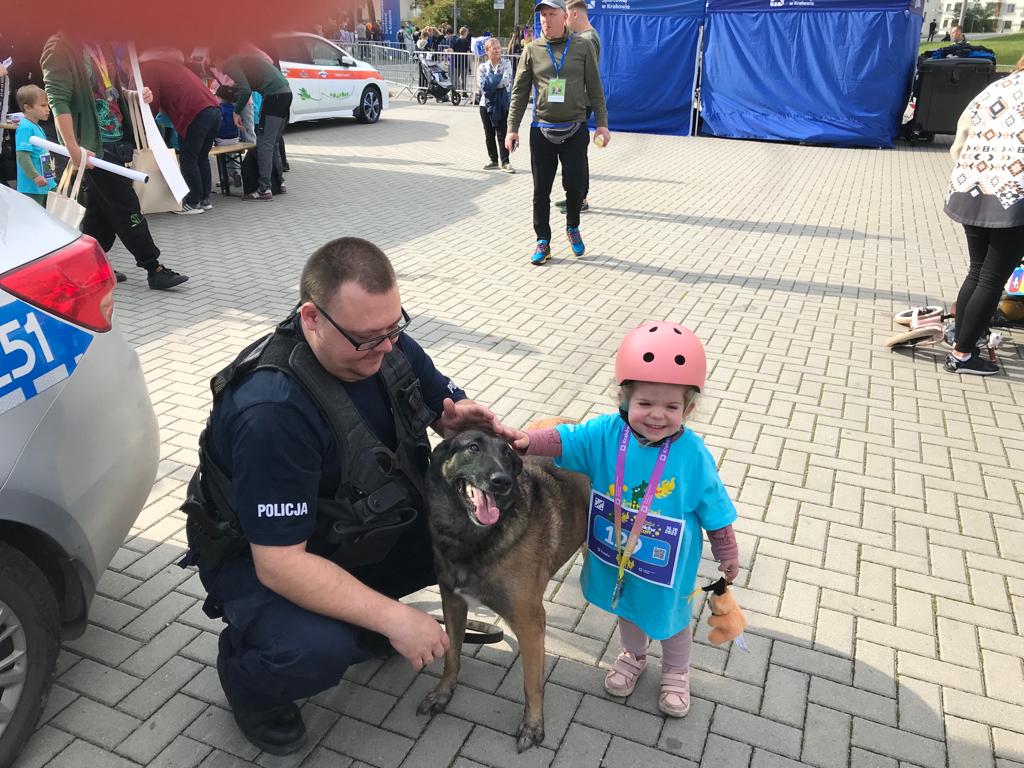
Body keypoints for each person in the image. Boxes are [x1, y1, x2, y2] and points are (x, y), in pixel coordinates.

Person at [179, 237, 523, 756]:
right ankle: (249, 680)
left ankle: (361, 611)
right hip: (260, 557)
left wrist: (451, 415)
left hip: (348, 528)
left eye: (393, 328)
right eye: (367, 339)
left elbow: (436, 402)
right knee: (315, 650)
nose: (384, 348)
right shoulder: (273, 410)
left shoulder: (385, 344)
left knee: (481, 527)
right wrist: (396, 619)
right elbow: (279, 565)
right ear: (312, 317)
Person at [513, 322, 740, 718]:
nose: (657, 415)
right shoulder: (606, 434)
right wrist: (524, 440)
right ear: (623, 398)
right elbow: (566, 439)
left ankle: (676, 672)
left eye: (671, 407)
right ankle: (633, 655)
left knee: (671, 620)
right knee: (627, 608)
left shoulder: (692, 453)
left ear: (688, 409)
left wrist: (727, 550)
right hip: (619, 556)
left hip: (666, 566)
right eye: (645, 403)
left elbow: (715, 508)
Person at [40, 33, 189, 289]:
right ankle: (154, 267)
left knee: (102, 212)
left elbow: (110, 91)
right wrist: (73, 147)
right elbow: (57, 98)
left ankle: (85, 264)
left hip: (117, 139)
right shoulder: (60, 46)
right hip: (94, 147)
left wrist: (135, 95)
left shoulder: (103, 43)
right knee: (126, 205)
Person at [506, 0, 610, 266]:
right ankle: (543, 240)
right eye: (542, 15)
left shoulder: (582, 46)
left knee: (574, 187)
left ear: (564, 17)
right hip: (542, 130)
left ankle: (572, 226)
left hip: (574, 129)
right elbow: (519, 92)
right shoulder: (532, 50)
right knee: (541, 191)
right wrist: (512, 128)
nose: (546, 20)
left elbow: (595, 88)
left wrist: (602, 123)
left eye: (551, 14)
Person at [942, 54, 1024, 375]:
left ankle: (961, 337)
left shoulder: (997, 87)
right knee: (992, 277)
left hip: (971, 187)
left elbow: (960, 136)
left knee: (977, 271)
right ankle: (963, 355)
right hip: (1012, 197)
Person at [140, 50, 220, 214]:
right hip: (213, 109)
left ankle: (192, 201)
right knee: (201, 156)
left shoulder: (149, 67)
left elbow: (152, 99)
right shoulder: (173, 65)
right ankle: (204, 199)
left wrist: (145, 122)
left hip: (194, 113)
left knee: (188, 158)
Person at [218, 48, 291, 201]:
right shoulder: (244, 58)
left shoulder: (231, 63)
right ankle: (279, 182)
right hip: (285, 93)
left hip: (273, 96)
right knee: (274, 142)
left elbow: (245, 90)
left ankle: (264, 189)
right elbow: (247, 85)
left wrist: (236, 112)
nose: (219, 70)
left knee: (264, 143)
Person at [557, 0, 602, 214]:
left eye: (565, 16)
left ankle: (579, 198)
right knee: (576, 152)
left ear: (575, 15)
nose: (564, 21)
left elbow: (587, 76)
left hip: (580, 103)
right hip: (578, 102)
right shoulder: (585, 37)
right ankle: (576, 196)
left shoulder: (588, 39)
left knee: (576, 153)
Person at [14, 85, 56, 205]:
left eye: (47, 105)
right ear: (27, 107)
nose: (48, 109)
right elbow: (22, 156)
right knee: (33, 219)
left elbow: (43, 153)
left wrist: (51, 178)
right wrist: (35, 176)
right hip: (32, 187)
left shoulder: (36, 126)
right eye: (43, 105)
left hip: (46, 183)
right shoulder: (25, 128)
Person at [478, 38, 514, 173]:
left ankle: (505, 162)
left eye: (499, 48)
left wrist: (491, 82)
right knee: (489, 134)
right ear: (487, 51)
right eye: (495, 48)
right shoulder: (482, 67)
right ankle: (493, 160)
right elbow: (482, 86)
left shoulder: (506, 63)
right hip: (485, 104)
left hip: (502, 103)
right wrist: (495, 81)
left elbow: (506, 80)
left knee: (502, 133)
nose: (498, 50)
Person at [450, 26, 472, 94]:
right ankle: (464, 92)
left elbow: (451, 50)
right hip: (464, 62)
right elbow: (468, 52)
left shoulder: (455, 41)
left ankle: (454, 91)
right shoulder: (467, 42)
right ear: (465, 33)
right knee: (464, 78)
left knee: (456, 78)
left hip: (456, 62)